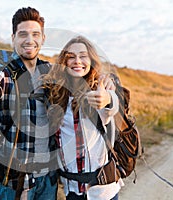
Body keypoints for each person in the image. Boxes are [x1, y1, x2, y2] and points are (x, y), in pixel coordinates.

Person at [0, 7, 57, 200]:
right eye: (22, 34)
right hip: (16, 180)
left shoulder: (49, 72)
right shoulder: (4, 73)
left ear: (43, 38)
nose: (29, 40)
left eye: (35, 34)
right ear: (13, 38)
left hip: (48, 178)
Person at [42, 36, 124, 200]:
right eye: (71, 56)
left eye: (83, 56)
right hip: (72, 188)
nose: (77, 61)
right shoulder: (56, 94)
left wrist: (108, 99)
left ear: (91, 60)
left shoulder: (98, 90)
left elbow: (111, 106)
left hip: (102, 190)